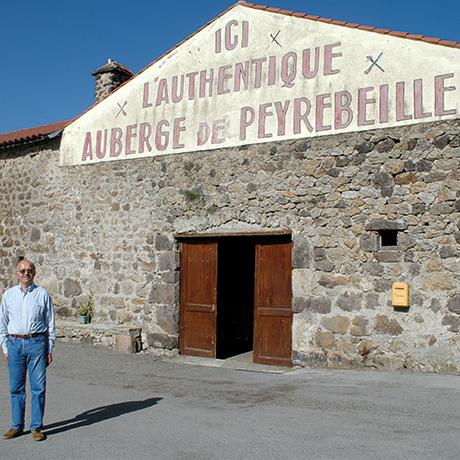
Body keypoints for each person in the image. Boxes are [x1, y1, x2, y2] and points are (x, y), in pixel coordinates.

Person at [0, 259, 55, 441]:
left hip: (37, 343)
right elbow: (3, 324)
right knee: (16, 388)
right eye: (22, 270)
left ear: (34, 273)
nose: (26, 273)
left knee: (38, 387)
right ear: (17, 273)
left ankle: (36, 427)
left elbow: (51, 323)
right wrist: (5, 348)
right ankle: (17, 426)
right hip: (15, 344)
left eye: (29, 270)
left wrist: (49, 348)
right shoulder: (8, 295)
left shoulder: (42, 294)